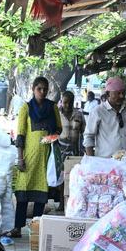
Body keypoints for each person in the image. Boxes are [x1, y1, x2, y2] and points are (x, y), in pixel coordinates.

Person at [6, 76, 62, 238]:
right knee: (23, 191)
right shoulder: (26, 108)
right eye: (39, 89)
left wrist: (49, 139)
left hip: (46, 157)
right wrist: (20, 158)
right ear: (33, 89)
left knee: (41, 194)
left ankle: (37, 230)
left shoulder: (52, 108)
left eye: (45, 89)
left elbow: (58, 130)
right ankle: (17, 228)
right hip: (28, 157)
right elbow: (21, 135)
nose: (43, 92)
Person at [84, 77, 126, 157]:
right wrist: (92, 161)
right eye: (118, 93)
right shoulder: (98, 111)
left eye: (123, 93)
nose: (121, 96)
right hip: (105, 163)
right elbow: (88, 137)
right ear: (107, 94)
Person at [58, 91, 86, 156]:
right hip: (60, 152)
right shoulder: (57, 114)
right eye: (65, 102)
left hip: (75, 152)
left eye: (70, 102)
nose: (68, 105)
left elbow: (83, 132)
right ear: (61, 101)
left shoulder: (79, 115)